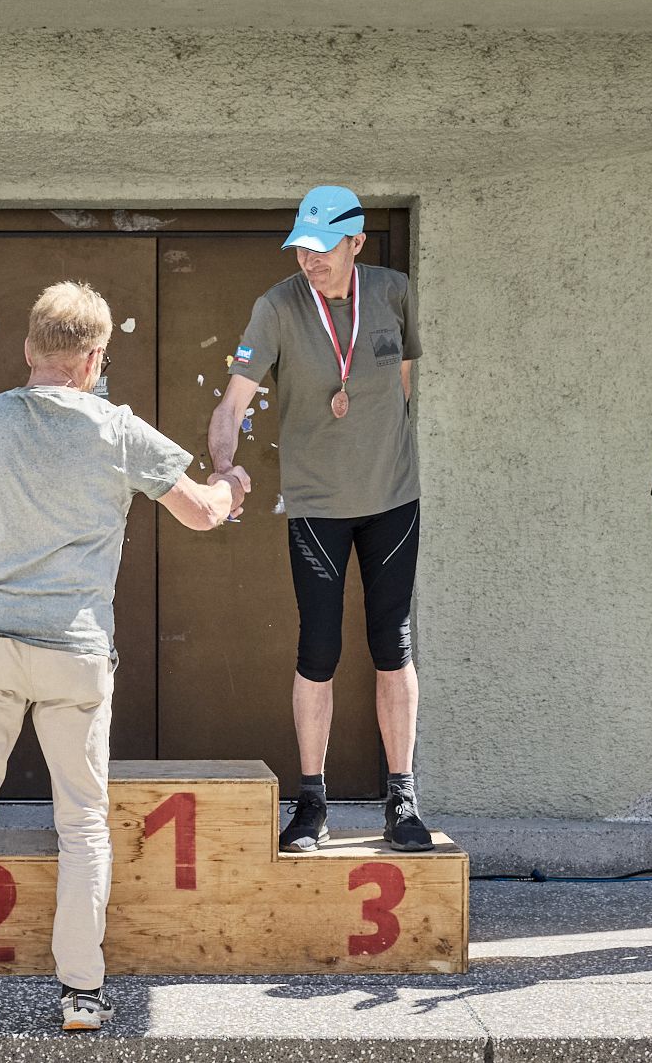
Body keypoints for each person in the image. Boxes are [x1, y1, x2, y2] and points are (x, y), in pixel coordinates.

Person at [0, 281, 247, 1039]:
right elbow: (202, 514)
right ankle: (81, 990)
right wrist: (230, 485)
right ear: (94, 359)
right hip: (74, 649)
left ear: (29, 350)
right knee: (81, 823)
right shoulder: (118, 429)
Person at [210, 185, 431, 853]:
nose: (310, 261)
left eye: (322, 248)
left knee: (393, 644)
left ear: (356, 242)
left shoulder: (393, 292)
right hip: (316, 507)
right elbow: (233, 403)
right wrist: (223, 464)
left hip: (392, 499)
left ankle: (402, 797)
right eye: (301, 249)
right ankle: (312, 800)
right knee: (318, 648)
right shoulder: (277, 306)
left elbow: (403, 383)